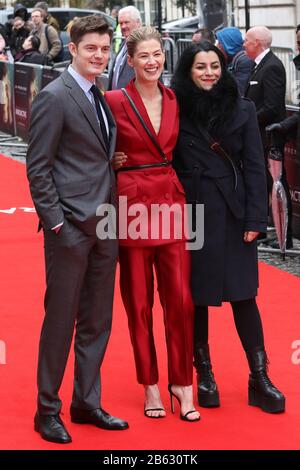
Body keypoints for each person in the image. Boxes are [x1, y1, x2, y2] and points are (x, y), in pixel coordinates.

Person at [26, 15, 129, 445]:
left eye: (105, 49)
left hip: (105, 224)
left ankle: (86, 401)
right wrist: (55, 224)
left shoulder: (100, 96)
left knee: (97, 320)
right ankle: (46, 409)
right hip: (68, 227)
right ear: (73, 49)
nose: (99, 56)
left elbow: (94, 156)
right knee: (61, 319)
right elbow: (38, 168)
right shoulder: (55, 96)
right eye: (91, 48)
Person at [171, 40, 285, 414]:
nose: (209, 72)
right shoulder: (175, 108)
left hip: (235, 213)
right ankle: (204, 374)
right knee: (197, 298)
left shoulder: (243, 108)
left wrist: (256, 219)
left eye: (215, 66)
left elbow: (255, 167)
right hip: (193, 213)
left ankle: (260, 377)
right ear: (189, 71)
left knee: (244, 295)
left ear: (224, 68)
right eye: (201, 66)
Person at [105, 26, 200, 422]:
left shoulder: (176, 99)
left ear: (165, 55)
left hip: (172, 203)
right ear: (130, 61)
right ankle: (150, 384)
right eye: (144, 56)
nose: (152, 61)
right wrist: (108, 161)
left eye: (157, 54)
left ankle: (183, 382)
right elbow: (91, 144)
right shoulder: (112, 100)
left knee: (181, 301)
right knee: (139, 304)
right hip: (130, 208)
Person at [244, 26, 293, 249]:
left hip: (269, 138)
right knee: (263, 184)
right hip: (260, 137)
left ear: (257, 43)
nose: (244, 45)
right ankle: (265, 228)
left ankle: (285, 235)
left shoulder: (271, 66)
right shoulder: (259, 66)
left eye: (247, 41)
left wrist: (247, 120)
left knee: (275, 184)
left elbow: (272, 107)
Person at [108, 5, 141, 90]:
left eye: (126, 22)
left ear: (138, 23)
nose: (123, 26)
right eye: (121, 23)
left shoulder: (144, 45)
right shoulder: (124, 43)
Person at [216, 27, 253, 96]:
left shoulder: (244, 61)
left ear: (227, 43)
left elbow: (239, 91)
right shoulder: (230, 59)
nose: (217, 46)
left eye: (219, 43)